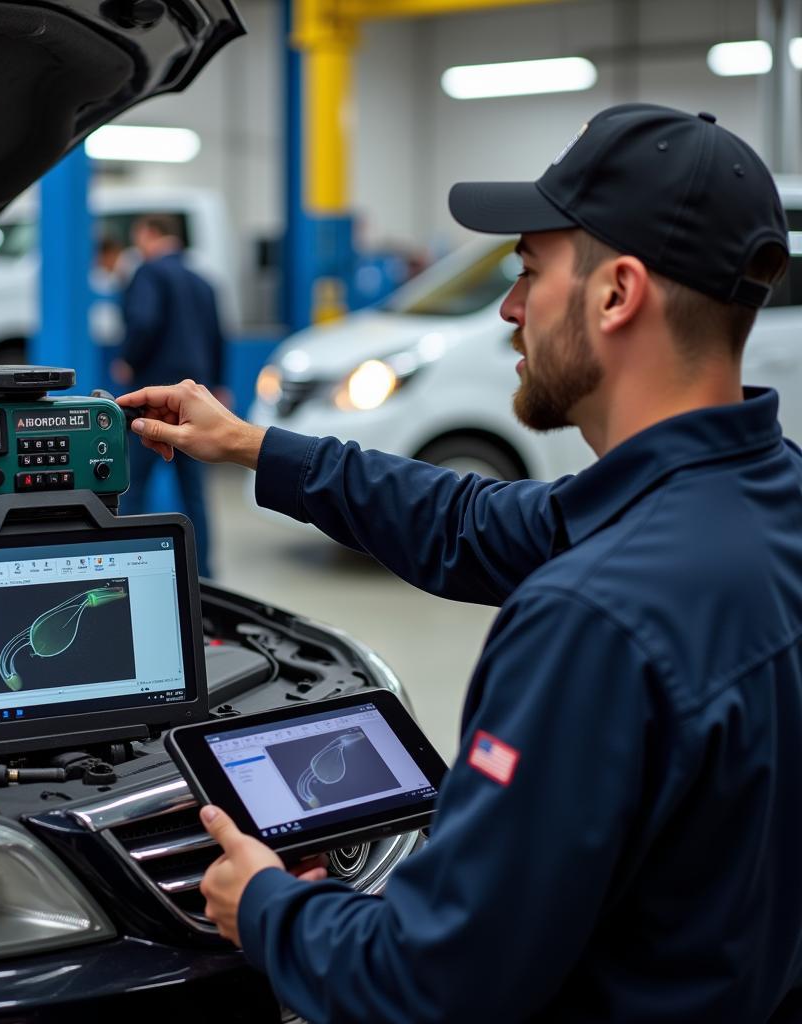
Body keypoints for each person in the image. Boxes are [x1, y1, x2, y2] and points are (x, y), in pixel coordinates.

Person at [116, 104, 802, 1022]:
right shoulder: (764, 499)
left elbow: (437, 982)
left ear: (616, 294)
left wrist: (269, 908)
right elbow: (470, 521)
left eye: (527, 274)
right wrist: (253, 446)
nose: (513, 310)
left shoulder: (592, 619)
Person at [116, 213, 225, 578]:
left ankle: (128, 565)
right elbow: (218, 337)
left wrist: (128, 359)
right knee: (194, 491)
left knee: (133, 484)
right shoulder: (204, 281)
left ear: (149, 233)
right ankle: (204, 573)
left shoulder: (150, 272)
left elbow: (144, 321)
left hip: (157, 400)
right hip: (197, 398)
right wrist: (218, 386)